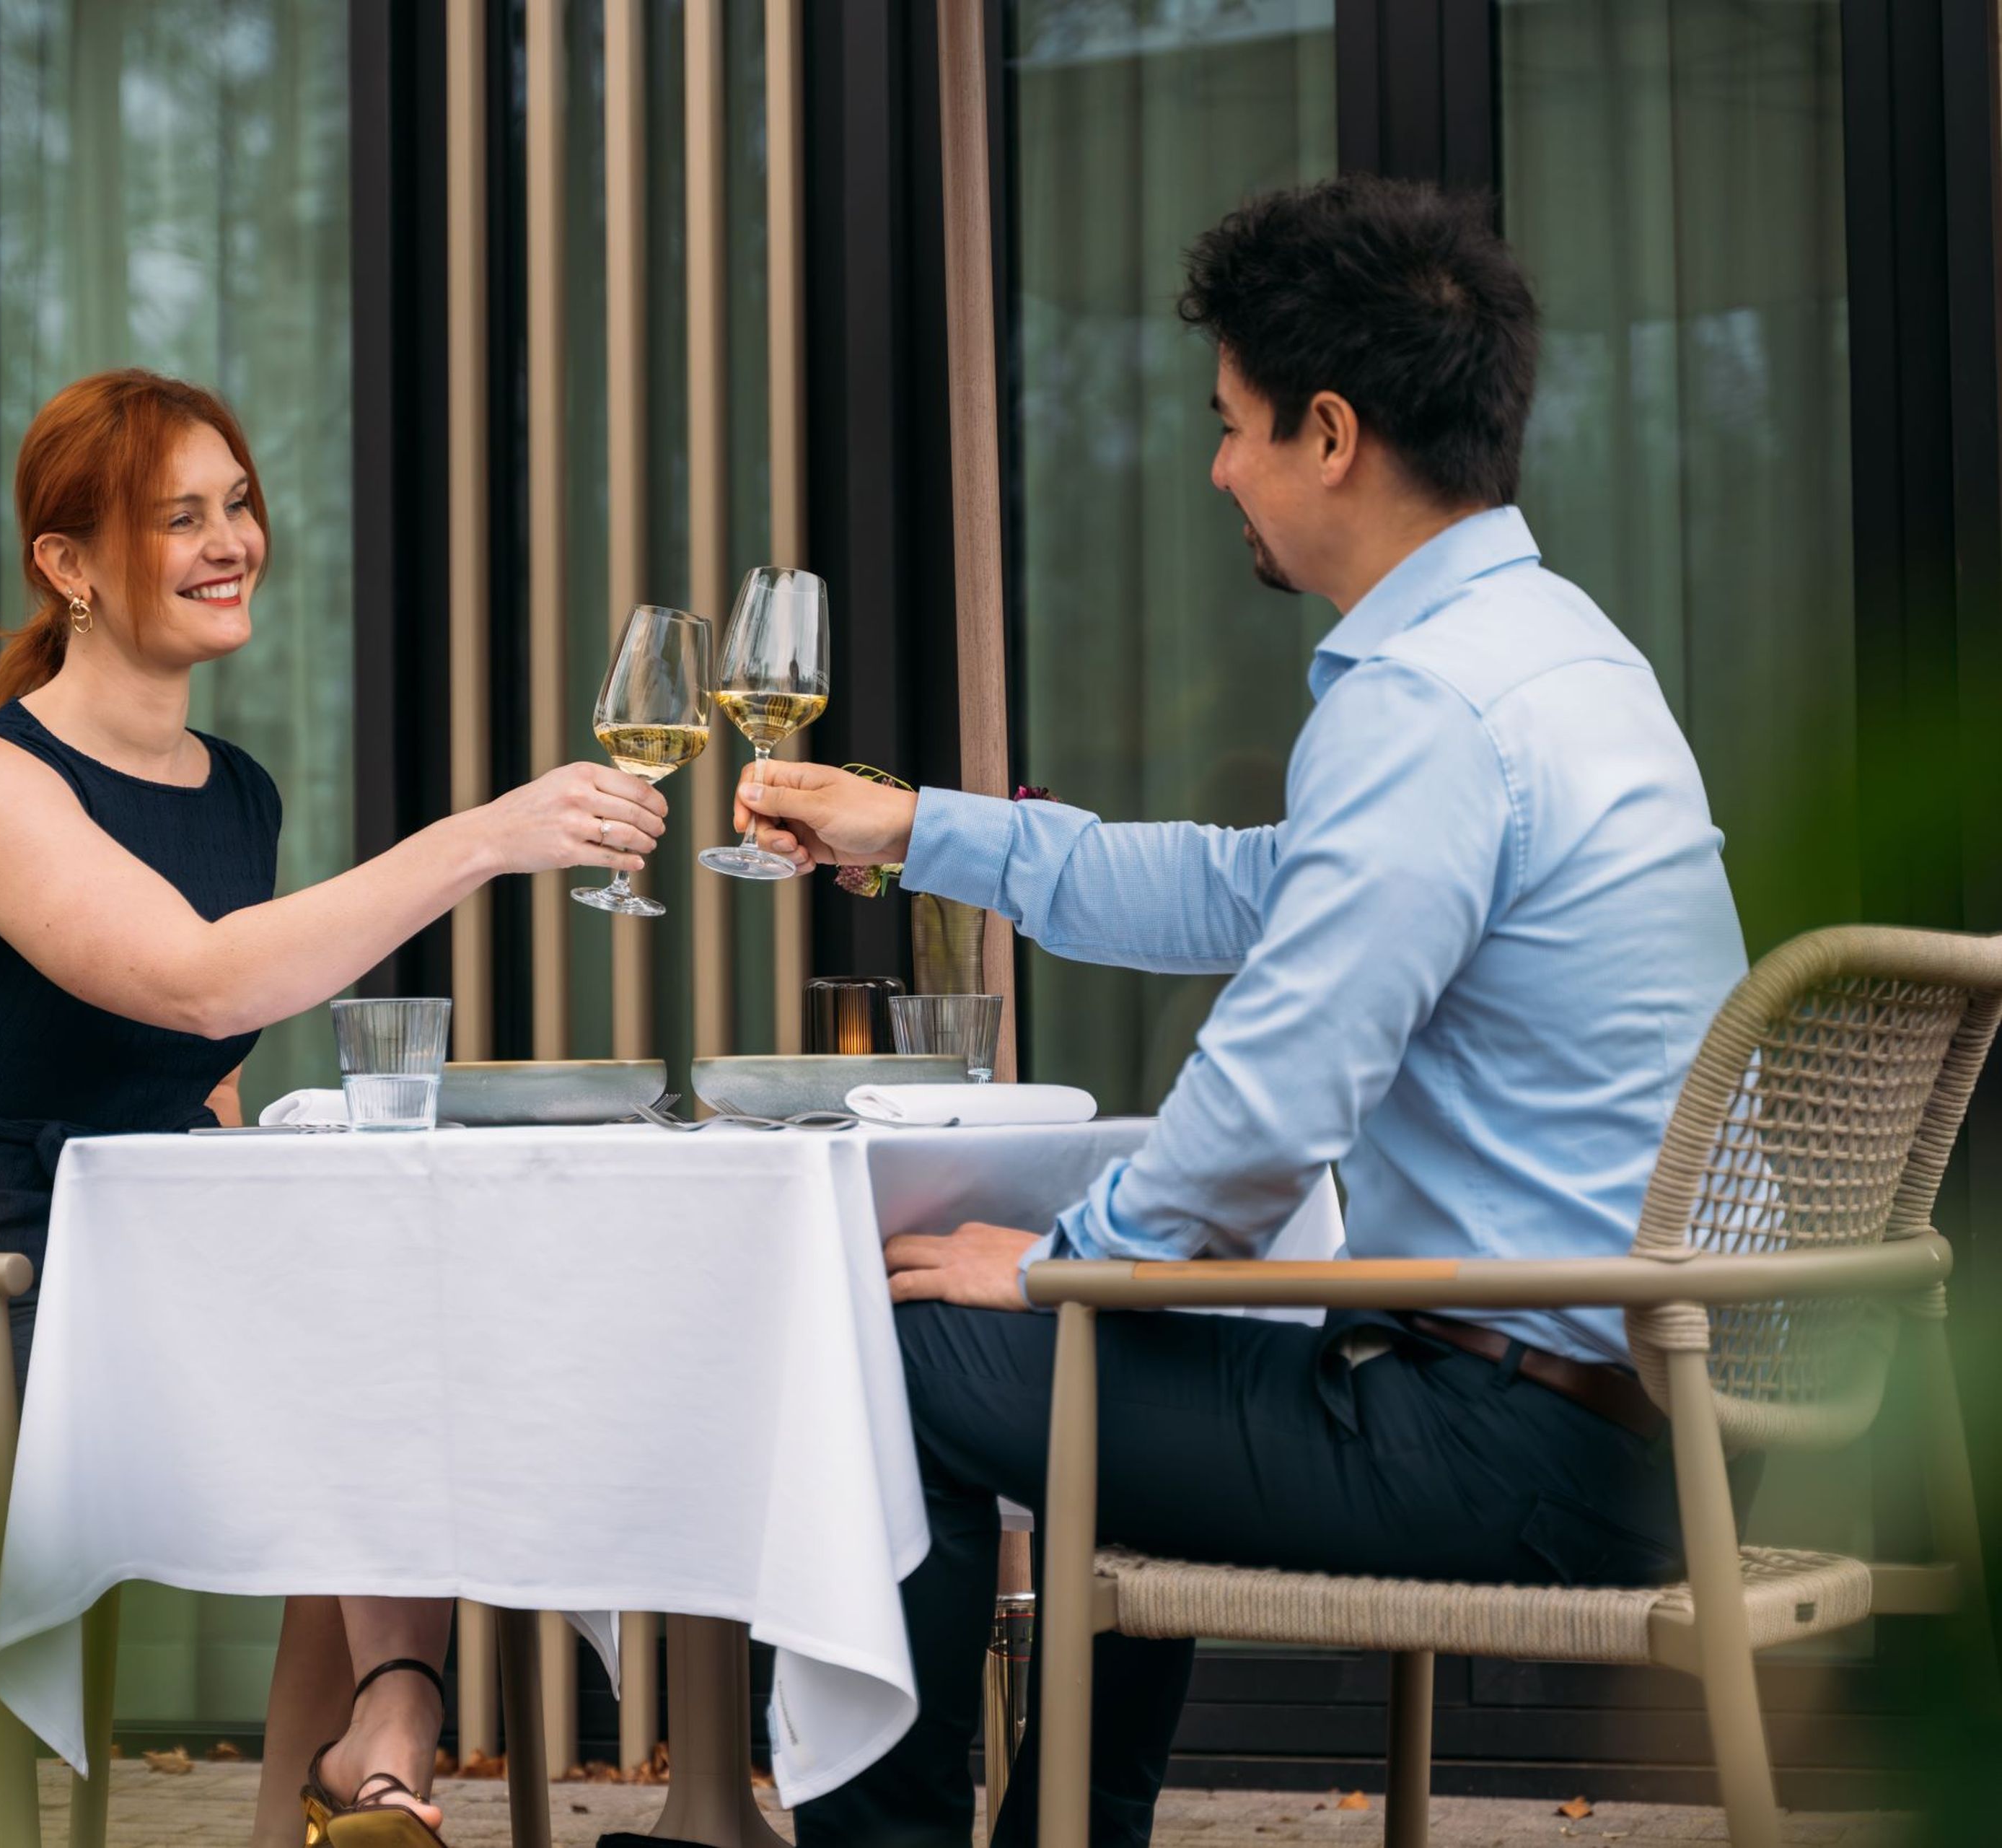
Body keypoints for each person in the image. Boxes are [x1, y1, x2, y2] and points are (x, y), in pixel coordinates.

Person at [733, 176, 1751, 1847]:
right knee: (1141, 1328)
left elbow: (1273, 1108)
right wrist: (915, 826)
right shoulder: (1558, 658)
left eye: (1232, 427)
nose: (1220, 470)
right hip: (1647, 1421)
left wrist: (1063, 1266)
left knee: (894, 1352)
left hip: (1517, 1452)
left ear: (1330, 432)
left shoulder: (1427, 706)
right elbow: (1241, 889)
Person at [0, 369, 664, 1848]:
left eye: (238, 504)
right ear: (66, 566)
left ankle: (368, 1756)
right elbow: (196, 988)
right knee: (349, 1353)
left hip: (148, 1306)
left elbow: (204, 1092)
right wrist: (482, 840)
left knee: (385, 1312)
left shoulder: (235, 792)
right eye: (177, 516)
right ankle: (389, 1731)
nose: (230, 540)